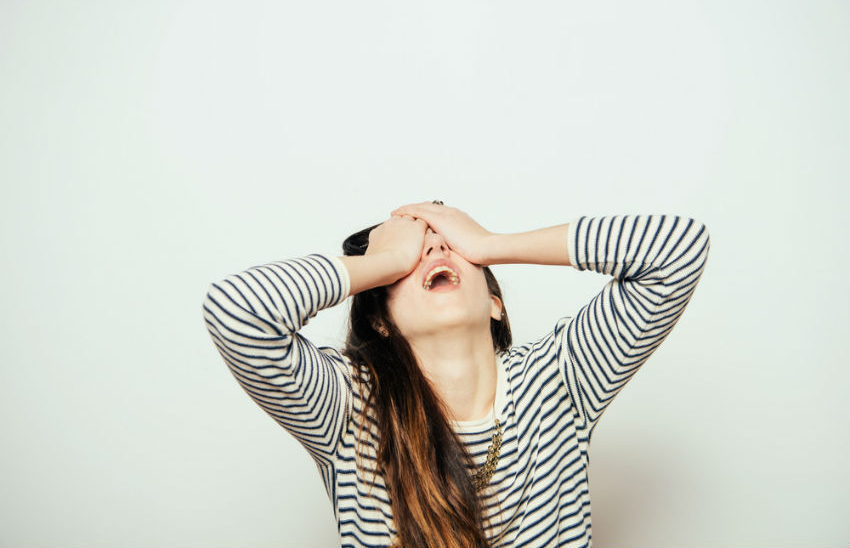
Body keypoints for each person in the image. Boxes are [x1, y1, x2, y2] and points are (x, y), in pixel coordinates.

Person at [202, 202, 710, 548]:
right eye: (413, 255)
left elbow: (678, 250)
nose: (435, 250)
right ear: (380, 319)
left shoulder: (559, 380)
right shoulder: (349, 406)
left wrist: (491, 243)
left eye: (450, 244)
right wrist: (386, 258)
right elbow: (235, 312)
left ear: (494, 303)